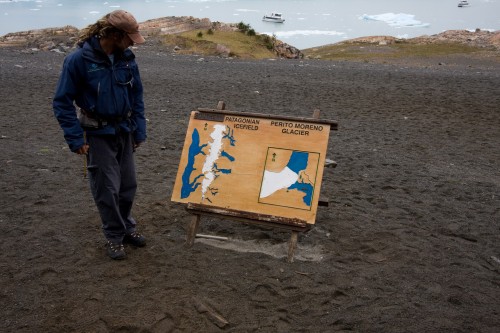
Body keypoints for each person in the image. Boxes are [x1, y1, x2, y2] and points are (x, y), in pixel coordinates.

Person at [53, 10, 147, 260]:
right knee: (107, 189)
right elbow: (62, 102)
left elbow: (136, 96)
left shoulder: (128, 59)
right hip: (96, 133)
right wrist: (75, 138)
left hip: (124, 131)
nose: (132, 42)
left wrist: (139, 129)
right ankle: (114, 236)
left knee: (128, 186)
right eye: (130, 37)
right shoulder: (78, 60)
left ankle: (127, 226)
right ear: (115, 35)